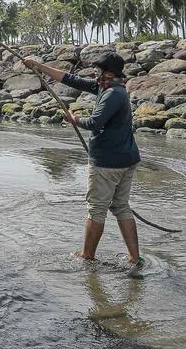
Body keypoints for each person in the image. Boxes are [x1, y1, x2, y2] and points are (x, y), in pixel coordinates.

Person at [23, 52, 141, 265]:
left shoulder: (112, 94)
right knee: (121, 206)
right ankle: (134, 257)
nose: (95, 73)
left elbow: (95, 123)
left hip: (108, 162)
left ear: (108, 72)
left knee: (96, 209)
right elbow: (71, 79)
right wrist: (38, 66)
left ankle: (87, 256)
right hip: (126, 158)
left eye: (99, 69)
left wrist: (74, 119)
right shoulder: (108, 87)